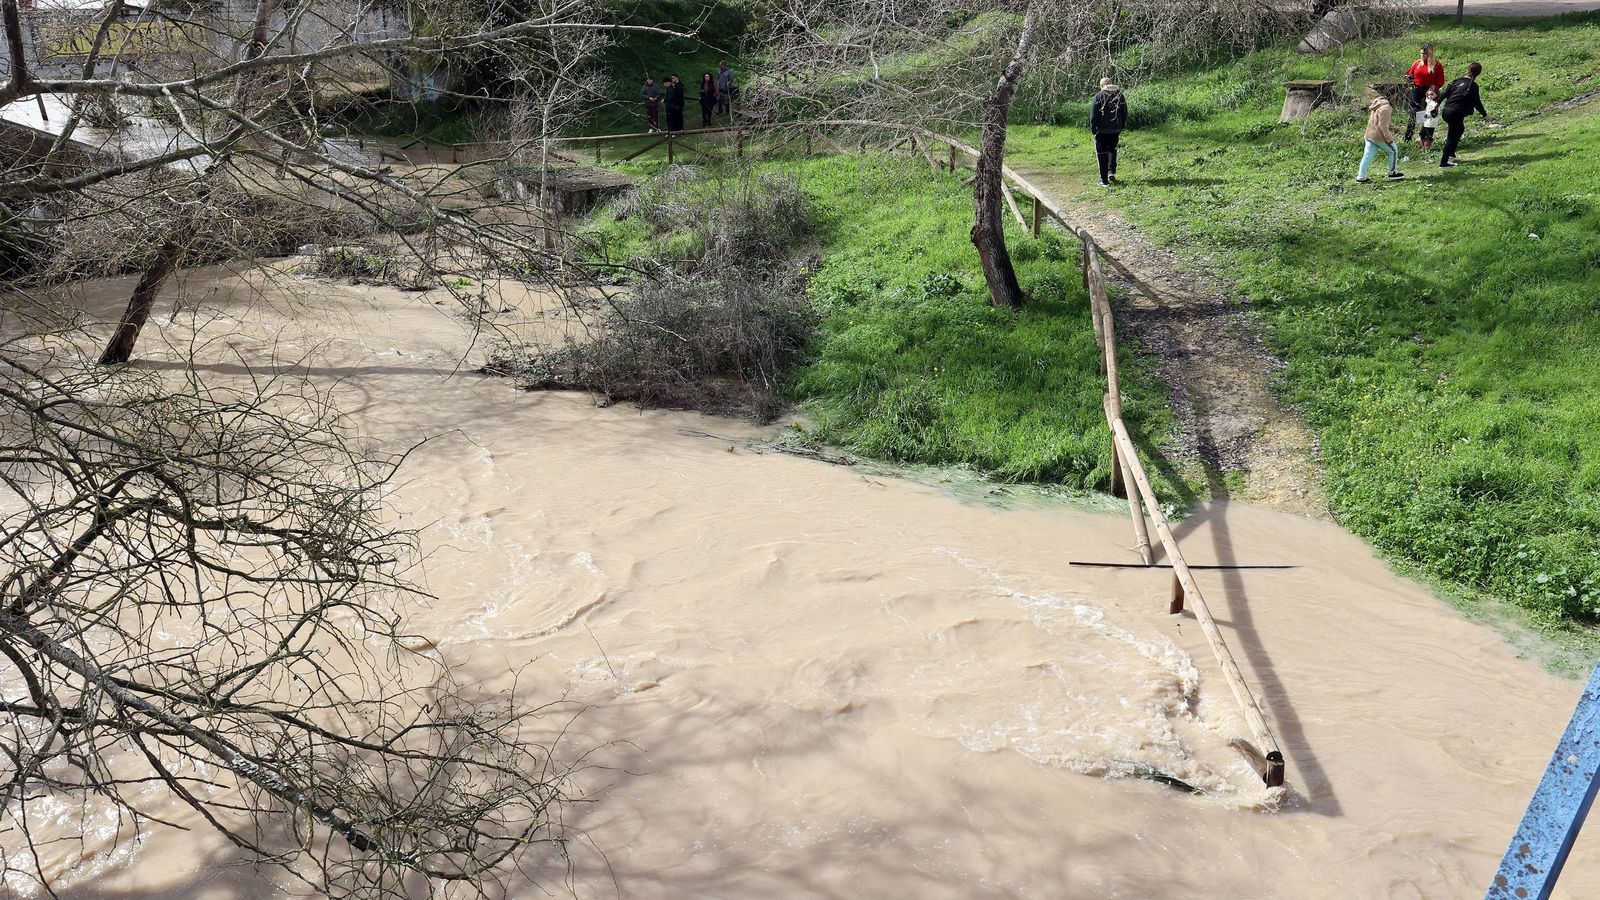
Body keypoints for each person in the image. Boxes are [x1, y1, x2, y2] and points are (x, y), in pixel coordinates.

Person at [1437, 61, 1488, 168]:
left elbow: (1444, 93)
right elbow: (1477, 103)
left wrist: (1436, 105)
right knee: (1452, 136)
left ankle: (1451, 153)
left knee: (1460, 129)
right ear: (1478, 73)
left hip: (1446, 111)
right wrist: (1485, 115)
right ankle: (1444, 162)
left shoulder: (1457, 81)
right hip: (1456, 113)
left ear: (1468, 69)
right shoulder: (1473, 86)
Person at [1356, 94, 1404, 183]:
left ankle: (1361, 177)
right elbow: (1382, 126)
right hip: (1378, 136)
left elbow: (1380, 121)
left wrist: (1394, 128)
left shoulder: (1378, 102)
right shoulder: (1386, 108)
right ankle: (1392, 173)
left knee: (1367, 155)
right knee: (1393, 150)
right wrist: (1389, 138)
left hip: (1369, 134)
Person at [1088, 77, 1127, 187]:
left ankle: (1104, 180)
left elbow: (1094, 115)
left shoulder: (1098, 96)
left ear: (1101, 86)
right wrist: (1121, 125)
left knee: (1101, 153)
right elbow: (1124, 111)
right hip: (1116, 129)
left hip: (1102, 130)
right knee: (1112, 149)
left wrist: (1093, 129)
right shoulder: (1119, 95)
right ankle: (1111, 172)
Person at [1403, 42, 1445, 143]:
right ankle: (1408, 136)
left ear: (1429, 54)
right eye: (1421, 53)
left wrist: (1433, 89)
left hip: (1429, 91)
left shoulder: (1437, 65)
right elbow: (1409, 73)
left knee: (1428, 114)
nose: (1422, 56)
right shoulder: (1417, 63)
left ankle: (1425, 136)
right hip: (1417, 89)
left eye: (1424, 54)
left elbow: (1441, 81)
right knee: (1413, 113)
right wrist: (1408, 77)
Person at [1417, 86, 1440, 151]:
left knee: (1428, 135)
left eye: (1432, 94)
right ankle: (1422, 146)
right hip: (1426, 122)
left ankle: (1426, 148)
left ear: (1437, 94)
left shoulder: (1436, 103)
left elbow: (1434, 114)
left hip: (1431, 122)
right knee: (1422, 134)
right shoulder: (1429, 101)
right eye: (1429, 94)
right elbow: (1426, 100)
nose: (1430, 96)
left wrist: (1427, 115)